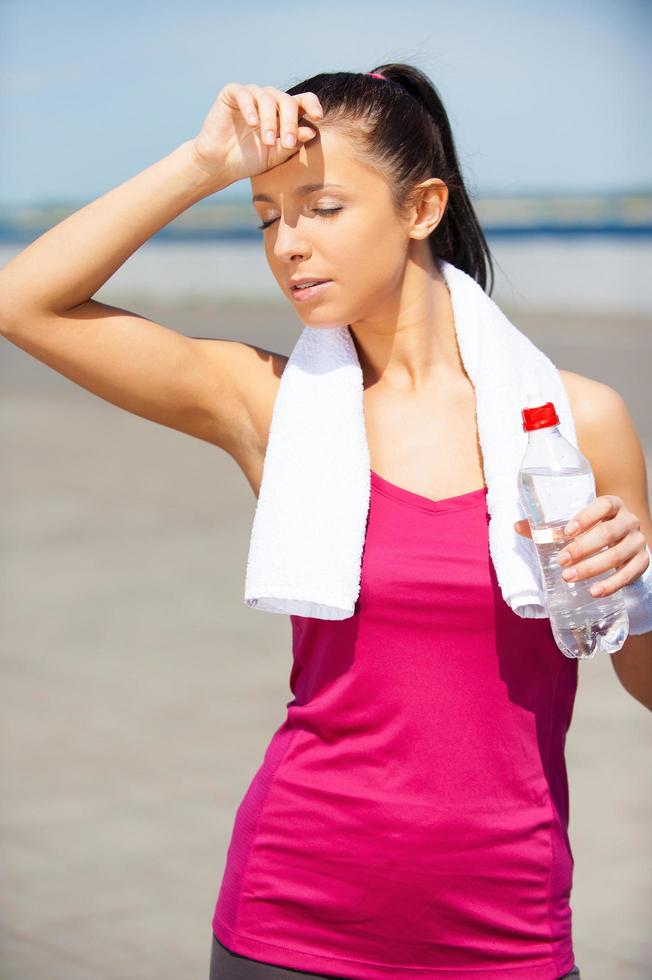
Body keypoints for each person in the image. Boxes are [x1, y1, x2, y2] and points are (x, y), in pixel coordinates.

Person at [1, 62, 650, 980]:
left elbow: (647, 680)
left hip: (508, 934)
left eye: (323, 207)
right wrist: (201, 164)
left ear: (421, 209)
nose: (288, 245)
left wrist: (645, 587)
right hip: (289, 922)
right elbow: (23, 303)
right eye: (267, 216)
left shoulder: (576, 423)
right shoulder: (273, 407)